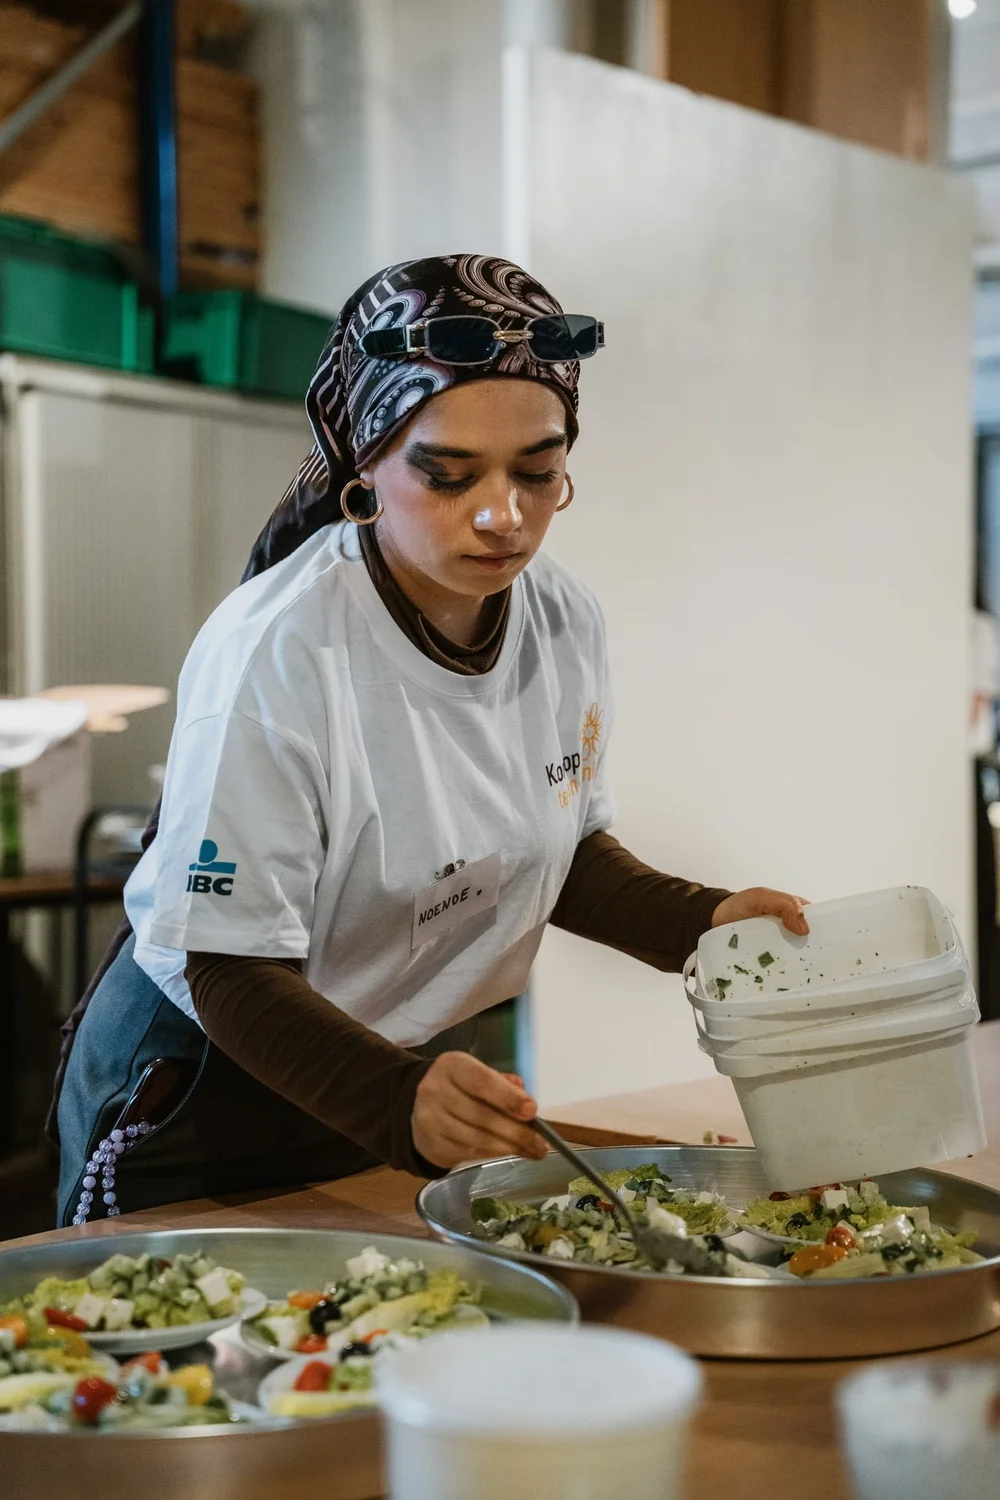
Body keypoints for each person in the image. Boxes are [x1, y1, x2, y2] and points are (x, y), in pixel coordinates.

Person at [54, 255, 808, 1227]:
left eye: (537, 472)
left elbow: (552, 850)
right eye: (448, 476)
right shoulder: (279, 653)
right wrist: (398, 1100)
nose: (503, 515)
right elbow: (229, 967)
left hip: (397, 1074)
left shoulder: (561, 618)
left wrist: (702, 921)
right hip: (213, 1084)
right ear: (364, 462)